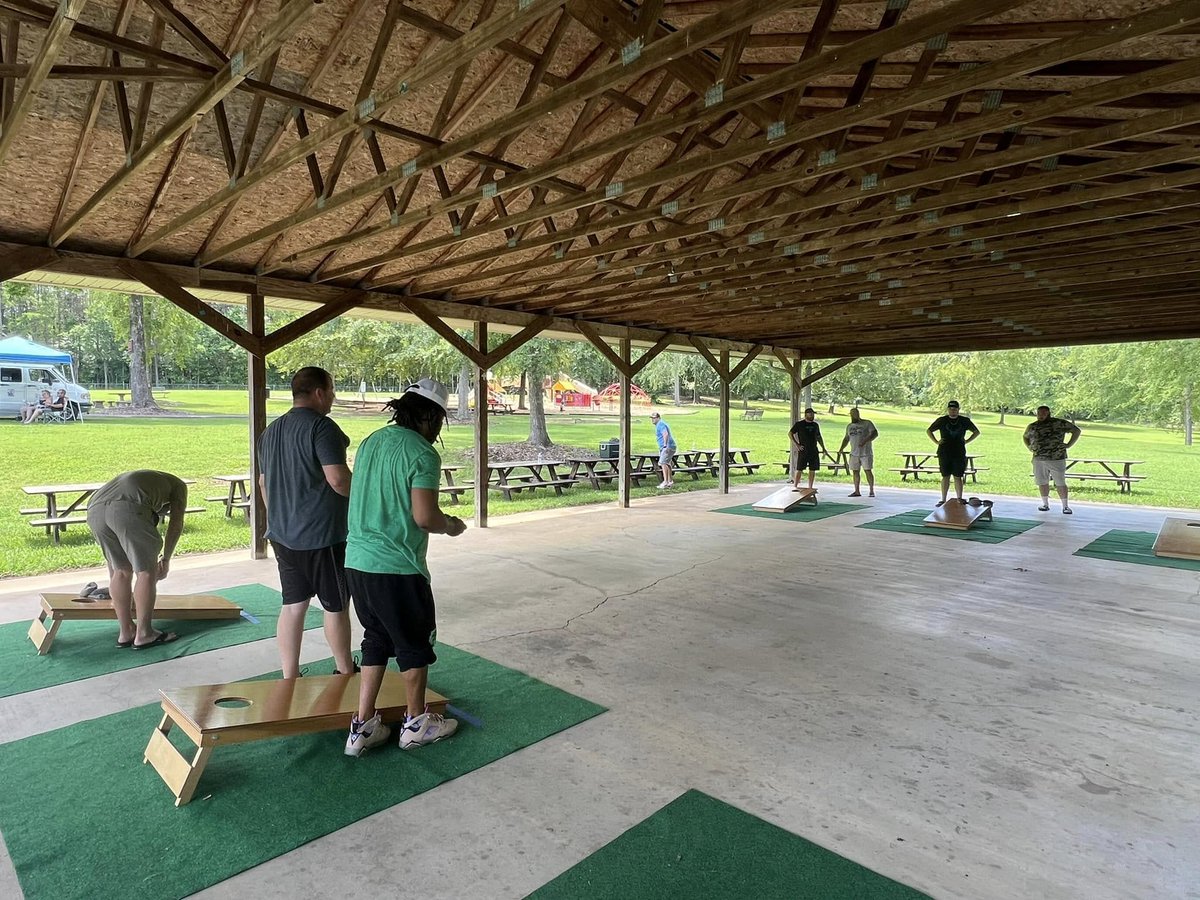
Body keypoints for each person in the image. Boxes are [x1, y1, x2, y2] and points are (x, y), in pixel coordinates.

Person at [343, 378, 468, 757]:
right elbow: (425, 516)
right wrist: (451, 525)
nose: (438, 430)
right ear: (430, 417)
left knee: (376, 638)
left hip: (357, 562)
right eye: (440, 421)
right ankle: (416, 724)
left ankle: (362, 726)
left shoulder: (371, 442)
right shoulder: (422, 454)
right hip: (397, 567)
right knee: (414, 643)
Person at [258, 366, 356, 679]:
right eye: (332, 391)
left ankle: (290, 676)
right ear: (319, 392)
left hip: (282, 535)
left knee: (293, 604)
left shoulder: (270, 431)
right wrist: (367, 498)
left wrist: (280, 517)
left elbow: (263, 483)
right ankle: (345, 669)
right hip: (323, 536)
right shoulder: (322, 427)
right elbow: (338, 479)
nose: (333, 397)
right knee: (335, 606)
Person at [85, 470, 188, 648]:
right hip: (126, 508)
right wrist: (165, 559)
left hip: (94, 510)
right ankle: (144, 634)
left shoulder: (149, 483)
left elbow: (114, 568)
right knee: (146, 572)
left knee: (121, 571)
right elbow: (176, 524)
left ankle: (126, 632)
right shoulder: (179, 486)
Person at [1023, 405, 1081, 514]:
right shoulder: (1033, 426)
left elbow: (1076, 431)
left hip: (1056, 458)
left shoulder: (1059, 423)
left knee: (1060, 482)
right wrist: (1029, 447)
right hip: (1039, 458)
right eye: (1039, 413)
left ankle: (1065, 506)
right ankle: (1045, 504)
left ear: (1048, 413)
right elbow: (1025, 437)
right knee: (1042, 481)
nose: (1041, 415)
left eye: (1044, 413)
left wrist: (1069, 444)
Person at [926, 400, 980, 506]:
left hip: (959, 452)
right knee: (945, 475)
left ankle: (959, 498)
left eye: (955, 409)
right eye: (950, 409)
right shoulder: (942, 420)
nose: (953, 411)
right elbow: (929, 430)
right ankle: (943, 499)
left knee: (958, 476)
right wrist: (936, 442)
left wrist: (967, 441)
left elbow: (976, 432)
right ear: (948, 409)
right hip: (944, 451)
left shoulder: (964, 421)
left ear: (958, 410)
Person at [838, 407, 878, 497]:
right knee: (855, 471)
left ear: (858, 414)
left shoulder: (867, 423)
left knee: (868, 470)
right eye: (852, 414)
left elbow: (875, 433)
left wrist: (865, 441)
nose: (853, 416)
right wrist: (841, 448)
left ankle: (871, 491)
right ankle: (857, 491)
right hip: (854, 453)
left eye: (855, 414)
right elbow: (846, 438)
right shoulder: (849, 426)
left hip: (865, 453)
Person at [789, 407, 826, 491]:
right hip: (803, 450)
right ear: (806, 415)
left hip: (813, 449)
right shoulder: (799, 424)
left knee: (812, 469)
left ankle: (810, 487)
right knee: (799, 468)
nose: (812, 416)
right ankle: (795, 485)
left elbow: (819, 437)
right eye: (810, 414)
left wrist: (823, 447)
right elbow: (790, 433)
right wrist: (797, 444)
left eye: (813, 414)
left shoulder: (815, 425)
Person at [650, 411, 676, 489]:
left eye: (654, 418)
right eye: (652, 418)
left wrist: (665, 445)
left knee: (663, 463)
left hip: (667, 446)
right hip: (670, 446)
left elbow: (665, 434)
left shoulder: (660, 424)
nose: (653, 420)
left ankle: (665, 482)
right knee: (667, 463)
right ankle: (670, 481)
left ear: (658, 418)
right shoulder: (660, 424)